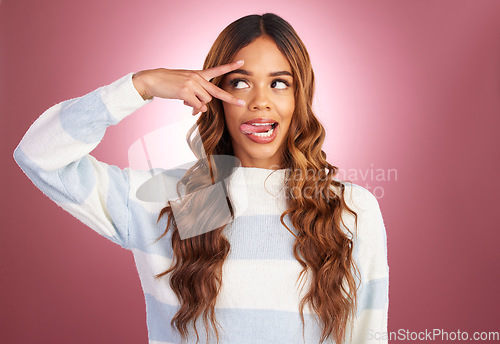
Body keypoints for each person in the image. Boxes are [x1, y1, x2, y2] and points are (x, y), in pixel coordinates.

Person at [13, 13, 389, 344]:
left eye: (279, 83)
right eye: (240, 82)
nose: (260, 101)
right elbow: (39, 155)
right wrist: (140, 86)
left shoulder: (349, 209)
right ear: (216, 95)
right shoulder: (165, 200)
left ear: (299, 97)